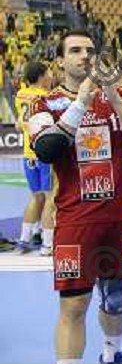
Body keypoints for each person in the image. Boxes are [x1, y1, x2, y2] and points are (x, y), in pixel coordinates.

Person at [29, 30, 122, 364]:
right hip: (74, 219)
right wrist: (81, 101)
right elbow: (46, 150)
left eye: (90, 50)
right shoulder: (44, 103)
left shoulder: (121, 93)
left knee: (116, 299)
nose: (85, 56)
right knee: (73, 304)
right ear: (60, 60)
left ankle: (112, 355)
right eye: (76, 50)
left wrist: (112, 96)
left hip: (117, 217)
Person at [13, 61, 55, 255]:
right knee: (50, 198)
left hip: (27, 154)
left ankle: (24, 240)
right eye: (49, 73)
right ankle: (47, 245)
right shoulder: (47, 98)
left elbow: (18, 125)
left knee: (36, 197)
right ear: (41, 76)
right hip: (44, 153)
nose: (52, 76)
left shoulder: (20, 95)